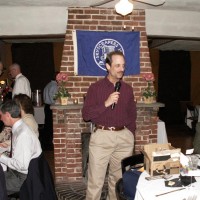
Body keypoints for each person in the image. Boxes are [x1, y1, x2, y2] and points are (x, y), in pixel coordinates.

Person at [82, 51, 136, 200]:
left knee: (117, 181)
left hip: (124, 138)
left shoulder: (128, 89)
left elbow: (132, 115)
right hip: (102, 138)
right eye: (117, 65)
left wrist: (130, 134)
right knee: (95, 182)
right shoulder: (95, 88)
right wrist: (106, 103)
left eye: (123, 66)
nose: (121, 69)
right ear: (107, 66)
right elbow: (86, 115)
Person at [0, 100, 42, 195]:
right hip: (17, 173)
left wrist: (1, 157)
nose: (1, 119)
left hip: (22, 178)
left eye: (1, 115)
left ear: (7, 115)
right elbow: (23, 150)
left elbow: (22, 165)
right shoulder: (20, 127)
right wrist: (7, 148)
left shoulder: (23, 134)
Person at [43, 72, 58, 150]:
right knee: (52, 127)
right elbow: (54, 99)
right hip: (52, 107)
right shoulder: (55, 86)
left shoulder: (48, 85)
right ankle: (50, 145)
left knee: (47, 126)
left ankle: (46, 144)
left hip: (47, 107)